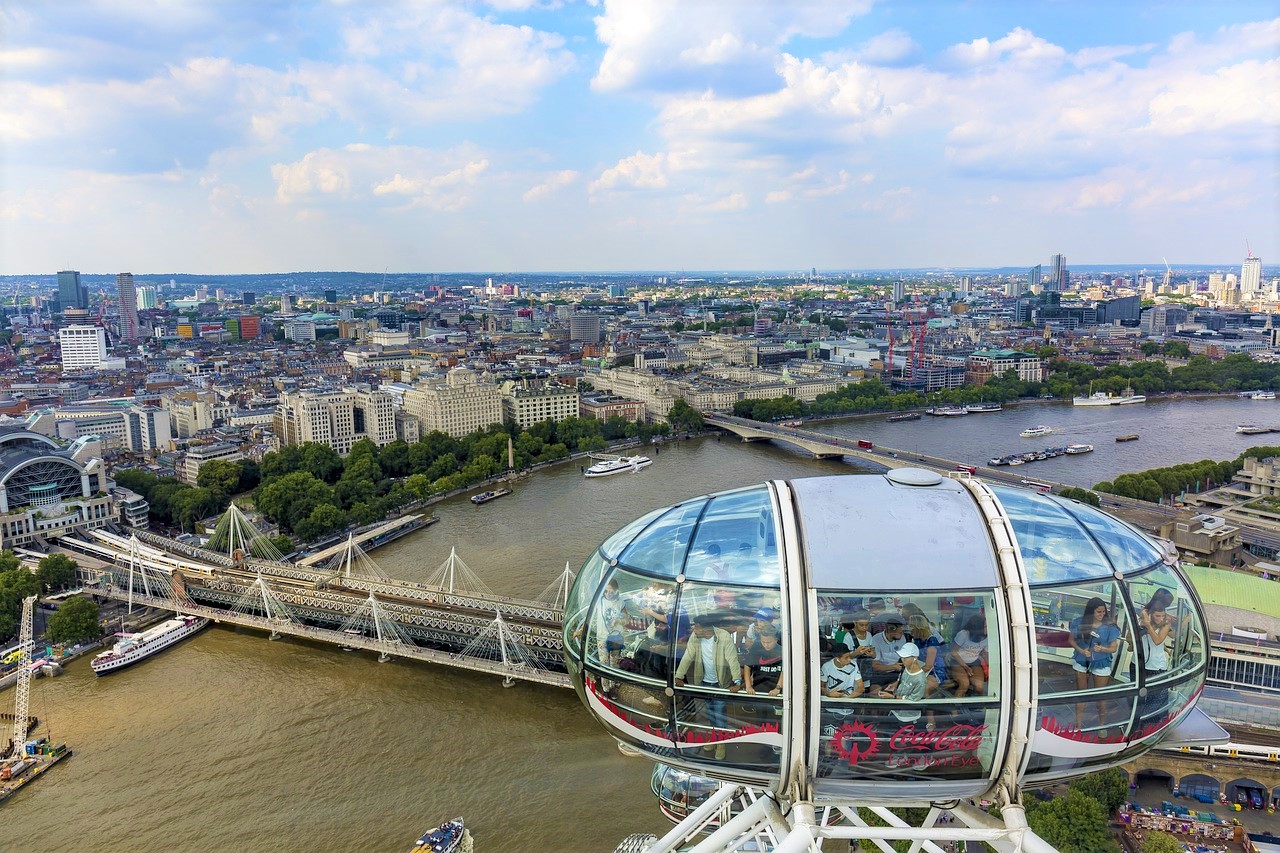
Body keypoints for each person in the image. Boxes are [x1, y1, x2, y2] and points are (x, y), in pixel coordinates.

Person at [674, 615, 742, 760]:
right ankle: (715, 739)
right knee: (711, 714)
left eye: (696, 626)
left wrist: (737, 681)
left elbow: (732, 659)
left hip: (720, 684)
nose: (693, 629)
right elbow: (688, 656)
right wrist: (678, 675)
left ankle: (721, 744)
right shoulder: (695, 637)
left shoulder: (723, 636)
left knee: (719, 716)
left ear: (705, 629)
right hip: (705, 683)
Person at [1070, 597, 1121, 726]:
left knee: (1100, 698)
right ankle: (1079, 726)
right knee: (1081, 695)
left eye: (1104, 612)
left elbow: (1114, 648)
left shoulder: (1109, 627)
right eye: (1099, 612)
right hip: (1082, 661)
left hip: (1102, 663)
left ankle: (1101, 726)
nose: (1102, 614)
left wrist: (1103, 648)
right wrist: (1081, 651)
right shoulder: (1080, 623)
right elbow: (1071, 640)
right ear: (1091, 612)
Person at [878, 642, 927, 722]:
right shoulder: (905, 667)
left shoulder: (920, 680)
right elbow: (901, 680)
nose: (902, 659)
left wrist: (892, 697)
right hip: (896, 711)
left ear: (915, 658)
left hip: (909, 718)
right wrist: (895, 685)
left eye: (905, 657)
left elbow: (913, 700)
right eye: (902, 657)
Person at [907, 614, 948, 695]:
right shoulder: (916, 640)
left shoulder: (932, 640)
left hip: (934, 671)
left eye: (911, 626)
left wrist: (912, 675)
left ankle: (927, 706)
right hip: (920, 669)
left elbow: (928, 666)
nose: (909, 629)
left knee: (924, 688)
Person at [950, 615, 988, 697]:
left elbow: (985, 653)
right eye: (985, 627)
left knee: (979, 687)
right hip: (958, 661)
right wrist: (965, 667)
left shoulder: (987, 637)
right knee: (964, 685)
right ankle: (955, 708)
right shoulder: (963, 634)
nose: (987, 629)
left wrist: (992, 667)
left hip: (974, 662)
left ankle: (978, 707)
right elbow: (953, 652)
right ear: (977, 628)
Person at [741, 624, 784, 697]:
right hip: (758, 688)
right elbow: (747, 666)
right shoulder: (756, 648)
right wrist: (748, 686)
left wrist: (778, 688)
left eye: (769, 642)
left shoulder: (782, 649)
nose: (766, 645)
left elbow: (785, 670)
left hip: (776, 689)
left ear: (776, 639)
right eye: (763, 642)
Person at [869, 615, 908, 687]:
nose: (902, 634)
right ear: (891, 630)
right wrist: (893, 667)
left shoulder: (902, 638)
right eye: (899, 632)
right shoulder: (876, 639)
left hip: (898, 673)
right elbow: (875, 666)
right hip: (881, 674)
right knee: (874, 691)